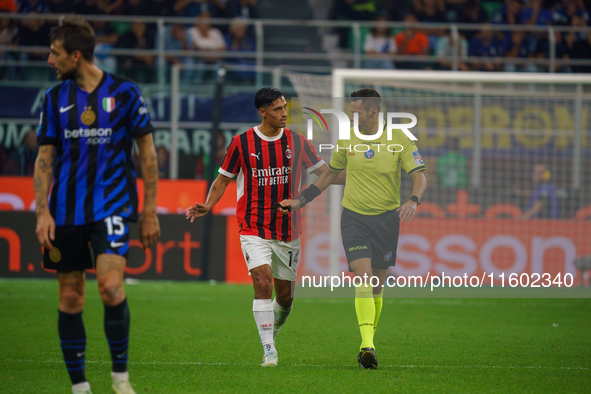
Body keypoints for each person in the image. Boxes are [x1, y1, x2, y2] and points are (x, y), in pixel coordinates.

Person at [34, 17, 160, 394]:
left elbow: (148, 153)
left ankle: (120, 379)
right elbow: (44, 158)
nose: (49, 61)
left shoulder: (125, 92)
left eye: (55, 54)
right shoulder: (54, 99)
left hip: (114, 206)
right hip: (65, 211)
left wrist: (150, 211)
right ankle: (80, 387)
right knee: (71, 294)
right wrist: (42, 210)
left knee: (110, 287)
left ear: (76, 55)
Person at [279, 88, 427, 369]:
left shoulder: (400, 139)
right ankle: (367, 346)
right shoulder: (347, 139)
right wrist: (301, 199)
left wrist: (413, 200)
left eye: (356, 112)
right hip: (354, 219)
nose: (351, 116)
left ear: (373, 112)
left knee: (377, 288)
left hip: (386, 220)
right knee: (363, 277)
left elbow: (420, 177)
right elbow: (331, 175)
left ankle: (368, 338)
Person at [186, 87, 335, 367]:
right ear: (262, 111)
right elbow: (222, 180)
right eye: (277, 109)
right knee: (262, 282)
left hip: (288, 230)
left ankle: (272, 330)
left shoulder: (298, 141)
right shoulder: (242, 143)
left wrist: (360, 177)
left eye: (285, 108)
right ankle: (269, 349)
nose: (283, 114)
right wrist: (208, 205)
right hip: (253, 225)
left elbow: (325, 174)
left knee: (286, 298)